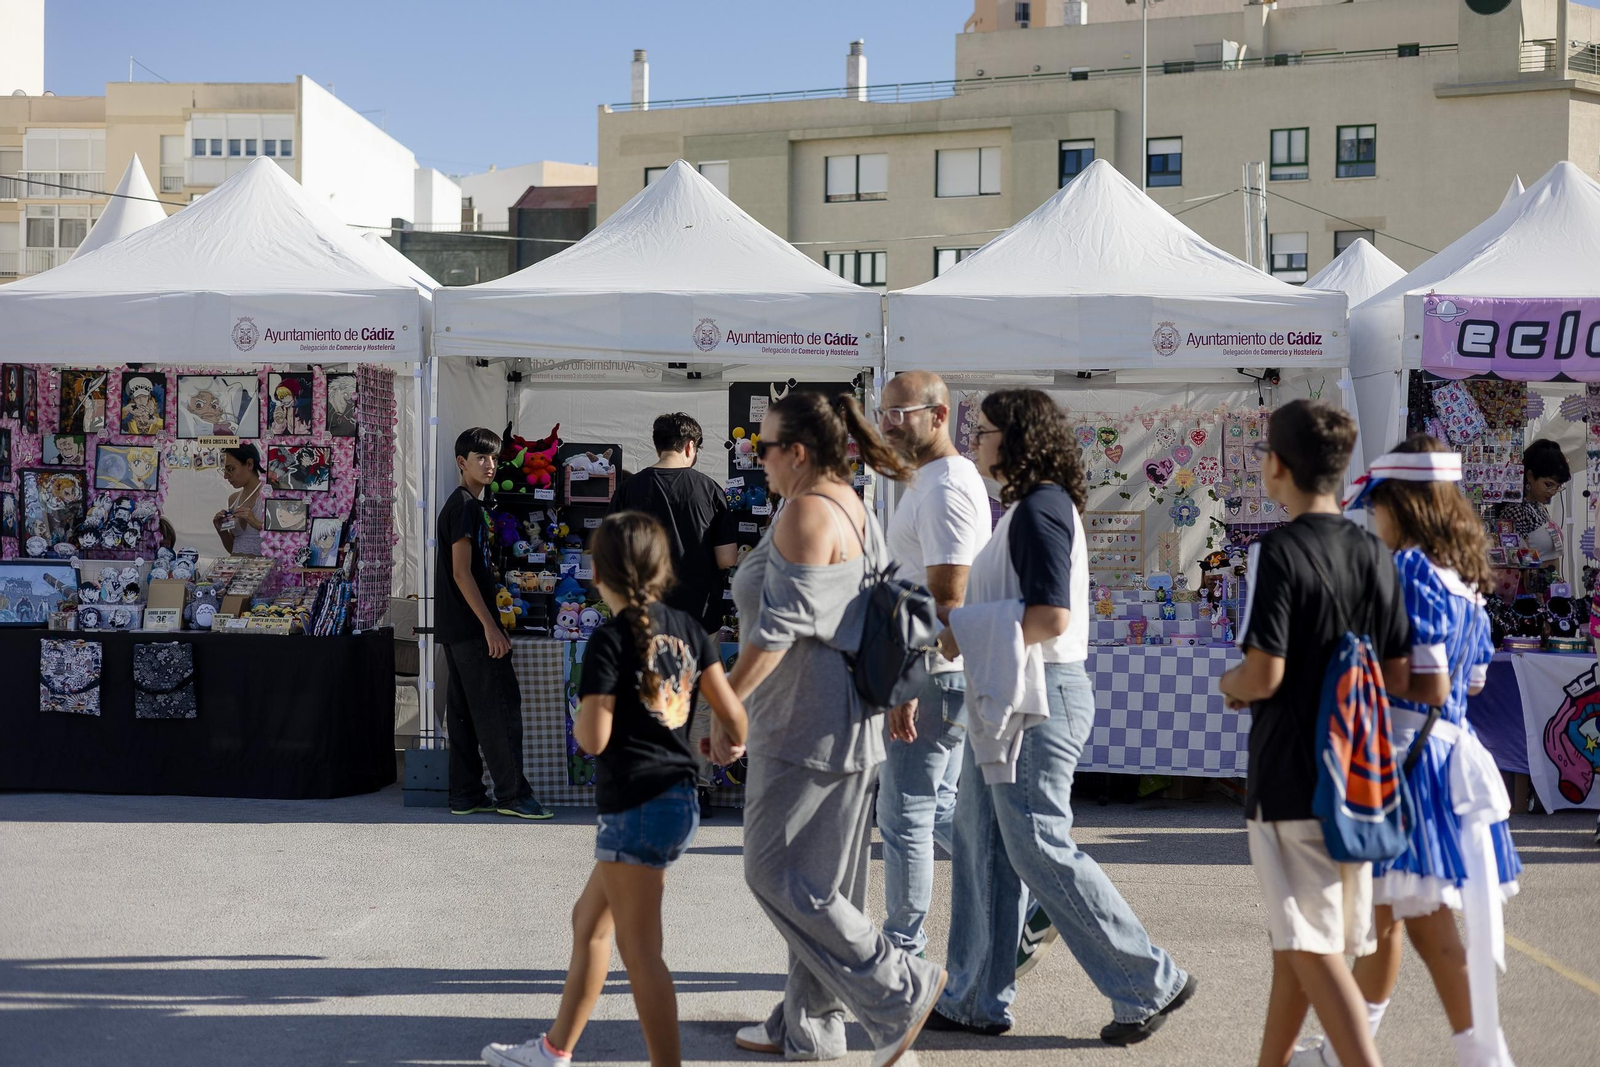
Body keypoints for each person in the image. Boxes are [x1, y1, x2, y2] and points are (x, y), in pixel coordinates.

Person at [928, 388, 1193, 1045]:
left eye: (984, 432)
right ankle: (974, 998)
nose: (974, 443)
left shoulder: (1039, 507)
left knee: (1036, 844)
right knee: (983, 844)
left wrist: (963, 629)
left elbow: (1051, 617)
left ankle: (1147, 980)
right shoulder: (1030, 506)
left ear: (1017, 438)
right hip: (1018, 692)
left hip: (1037, 695)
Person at [724, 390, 946, 1066]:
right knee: (825, 885)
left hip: (805, 723)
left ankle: (900, 988)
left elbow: (778, 630)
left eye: (763, 447)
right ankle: (810, 1024)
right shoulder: (851, 502)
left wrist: (725, 704)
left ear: (796, 452)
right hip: (844, 720)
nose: (756, 458)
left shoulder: (806, 512)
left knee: (779, 876)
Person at [481, 511, 749, 1067]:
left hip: (636, 806)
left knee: (641, 953)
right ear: (663, 569)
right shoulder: (690, 629)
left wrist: (585, 713)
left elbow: (594, 738)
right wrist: (726, 742)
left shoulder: (608, 639)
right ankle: (555, 1048)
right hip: (675, 801)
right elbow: (734, 716)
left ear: (598, 572)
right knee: (589, 922)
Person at [1291, 435, 1521, 1067]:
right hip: (1446, 758)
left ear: (1404, 505)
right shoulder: (1467, 584)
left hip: (1405, 757)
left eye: (1379, 505)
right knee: (1395, 918)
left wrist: (1352, 663)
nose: (1374, 517)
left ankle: (1478, 1055)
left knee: (1411, 922)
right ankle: (1349, 1052)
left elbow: (1429, 680)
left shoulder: (1412, 573)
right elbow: (1471, 685)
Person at [1218, 399, 1413, 1067]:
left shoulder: (1276, 552)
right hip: (1357, 772)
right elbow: (1399, 671)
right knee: (1297, 943)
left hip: (1290, 772)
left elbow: (1263, 673)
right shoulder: (1373, 551)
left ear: (1276, 464)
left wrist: (1229, 683)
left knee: (1308, 942)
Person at [874, 370, 992, 958]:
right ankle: (1025, 898)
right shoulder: (932, 480)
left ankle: (902, 950)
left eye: (900, 414)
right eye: (883, 414)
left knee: (905, 815)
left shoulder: (945, 487)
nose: (887, 425)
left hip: (929, 673)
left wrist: (904, 682)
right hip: (935, 673)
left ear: (939, 415)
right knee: (938, 807)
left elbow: (950, 604)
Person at [610, 413, 738, 819]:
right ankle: (696, 787)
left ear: (657, 443)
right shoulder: (710, 491)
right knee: (699, 704)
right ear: (690, 446)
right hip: (700, 618)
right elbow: (726, 558)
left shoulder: (629, 489)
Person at [436, 426, 552, 821]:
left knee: (465, 716)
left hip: (457, 627)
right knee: (500, 711)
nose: (489, 465)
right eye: (481, 457)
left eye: (494, 458)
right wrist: (489, 625)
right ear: (461, 462)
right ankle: (512, 795)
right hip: (471, 628)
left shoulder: (467, 505)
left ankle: (466, 794)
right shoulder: (465, 507)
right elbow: (461, 572)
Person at [1493, 438, 1570, 595]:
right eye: (1548, 484)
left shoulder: (1538, 506)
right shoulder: (1515, 510)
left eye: (1558, 487)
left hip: (1549, 590)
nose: (1553, 492)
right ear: (1529, 476)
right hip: (1530, 594)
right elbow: (1516, 558)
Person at [213, 446, 266, 555]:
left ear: (249, 464)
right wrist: (222, 531)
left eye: (230, 469)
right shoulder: (233, 499)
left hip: (266, 565)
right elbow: (234, 548)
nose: (225, 476)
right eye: (224, 470)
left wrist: (256, 523)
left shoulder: (270, 495)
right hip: (237, 564)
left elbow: (283, 538)